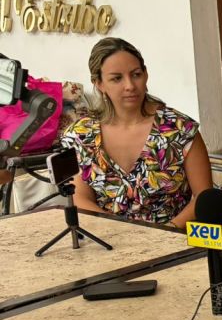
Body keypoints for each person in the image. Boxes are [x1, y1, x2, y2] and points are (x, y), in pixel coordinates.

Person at [62, 37, 212, 228]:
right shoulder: (80, 135)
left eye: (136, 74)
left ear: (146, 74)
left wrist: (162, 234)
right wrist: (122, 233)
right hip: (106, 237)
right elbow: (80, 198)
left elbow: (203, 196)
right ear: (99, 83)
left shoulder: (180, 129)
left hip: (174, 237)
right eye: (117, 78)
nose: (130, 85)